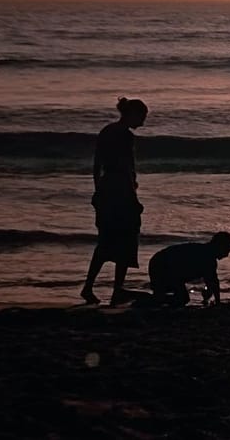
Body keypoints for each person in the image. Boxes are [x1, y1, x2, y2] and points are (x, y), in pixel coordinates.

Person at [80, 97, 148, 306]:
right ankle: (117, 289)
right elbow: (126, 168)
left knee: (105, 241)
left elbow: (97, 164)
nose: (143, 122)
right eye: (142, 117)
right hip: (121, 191)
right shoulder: (125, 136)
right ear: (132, 114)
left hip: (106, 188)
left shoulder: (107, 131)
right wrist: (133, 198)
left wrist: (97, 190)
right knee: (127, 238)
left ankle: (89, 286)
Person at [148, 232, 230, 306]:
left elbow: (211, 282)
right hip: (162, 265)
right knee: (182, 298)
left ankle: (156, 300)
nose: (226, 255)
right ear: (220, 246)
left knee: (172, 295)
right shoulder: (208, 258)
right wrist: (217, 302)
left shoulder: (206, 253)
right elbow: (213, 283)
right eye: (227, 250)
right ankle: (152, 300)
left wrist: (209, 295)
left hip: (160, 262)